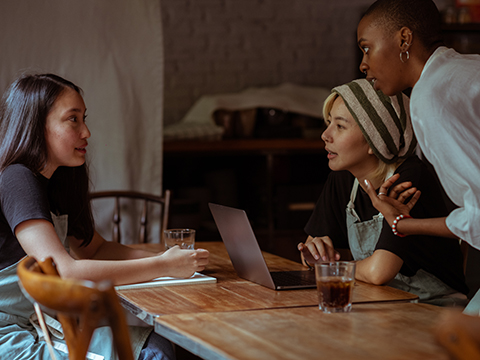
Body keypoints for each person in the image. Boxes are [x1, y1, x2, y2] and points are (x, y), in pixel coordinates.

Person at [0, 73, 210, 359]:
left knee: (158, 344)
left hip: (41, 324)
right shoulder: (17, 179)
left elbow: (95, 248)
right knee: (155, 353)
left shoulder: (57, 182)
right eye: (73, 119)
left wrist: (173, 261)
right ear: (38, 126)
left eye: (84, 118)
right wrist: (162, 266)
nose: (86, 132)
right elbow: (66, 271)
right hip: (9, 336)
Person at [297, 78, 468, 304]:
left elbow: (379, 272)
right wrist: (313, 255)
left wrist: (329, 268)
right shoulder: (342, 179)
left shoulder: (407, 177)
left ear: (373, 140)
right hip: (383, 301)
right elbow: (311, 251)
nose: (325, 135)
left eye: (339, 126)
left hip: (436, 306)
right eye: (328, 123)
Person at [357, 0, 480, 250]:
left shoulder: (430, 97)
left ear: (404, 39)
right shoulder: (469, 66)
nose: (363, 64)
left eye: (367, 48)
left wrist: (401, 224)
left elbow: (478, 219)